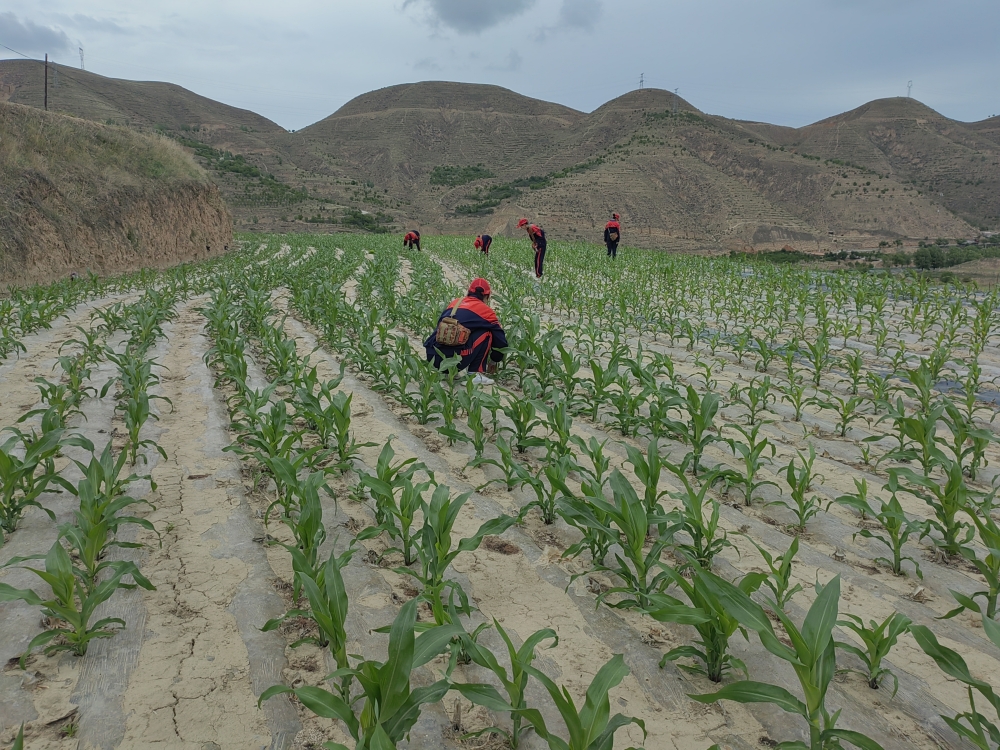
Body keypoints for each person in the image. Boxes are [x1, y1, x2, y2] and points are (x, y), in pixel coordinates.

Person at [424, 277, 507, 385]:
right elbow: (500, 341)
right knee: (487, 333)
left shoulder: (455, 303)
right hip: (455, 360)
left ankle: (447, 372)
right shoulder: (486, 312)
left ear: (469, 292)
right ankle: (473, 374)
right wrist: (495, 359)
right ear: (487, 297)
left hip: (433, 357)